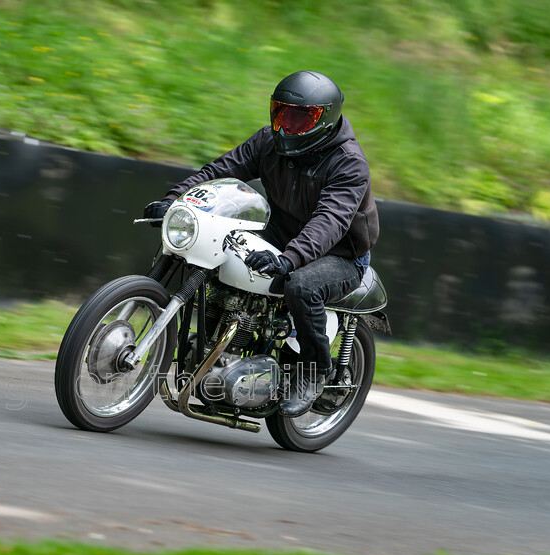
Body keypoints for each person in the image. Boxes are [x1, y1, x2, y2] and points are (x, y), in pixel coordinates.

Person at [143, 70, 379, 417]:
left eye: (300, 119)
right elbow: (221, 170)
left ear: (324, 120)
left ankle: (314, 371)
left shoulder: (349, 164)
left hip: (339, 252)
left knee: (301, 285)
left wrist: (290, 258)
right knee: (213, 247)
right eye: (282, 113)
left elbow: (330, 221)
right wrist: (176, 199)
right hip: (281, 234)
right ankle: (214, 342)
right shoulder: (267, 142)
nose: (287, 126)